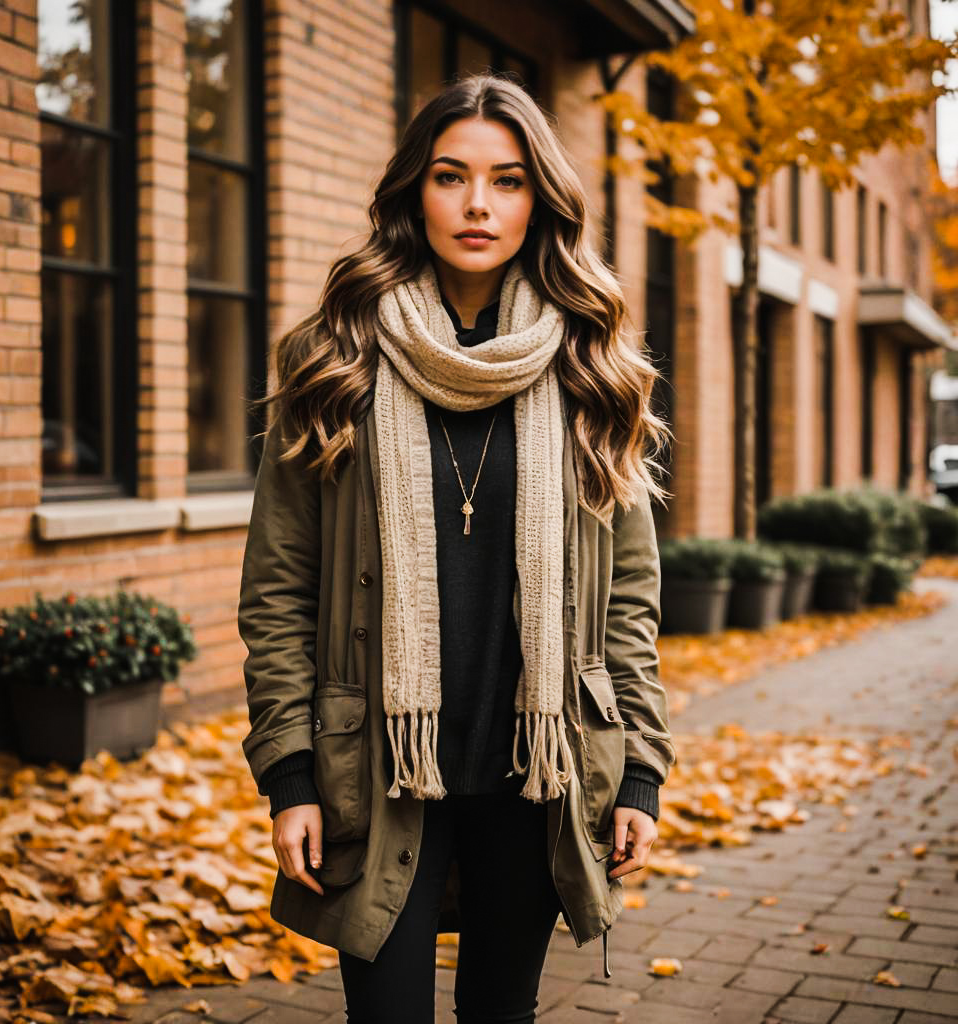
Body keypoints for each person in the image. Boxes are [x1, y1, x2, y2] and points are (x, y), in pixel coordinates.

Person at [238, 73, 677, 1024]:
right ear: (413, 192)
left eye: (508, 180)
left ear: (541, 201)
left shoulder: (592, 366)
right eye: (451, 176)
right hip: (380, 768)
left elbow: (629, 600)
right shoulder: (334, 357)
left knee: (500, 1012)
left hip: (538, 769)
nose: (478, 203)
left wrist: (640, 766)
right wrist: (289, 774)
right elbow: (279, 592)